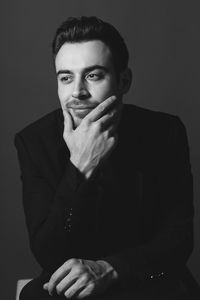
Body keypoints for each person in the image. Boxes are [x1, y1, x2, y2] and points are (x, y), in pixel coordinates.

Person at [15, 16, 198, 299]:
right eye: (65, 78)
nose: (77, 92)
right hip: (70, 282)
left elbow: (178, 238)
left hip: (144, 276)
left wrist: (109, 268)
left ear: (123, 81)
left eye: (93, 75)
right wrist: (81, 166)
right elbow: (48, 255)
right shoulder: (34, 141)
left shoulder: (165, 132)